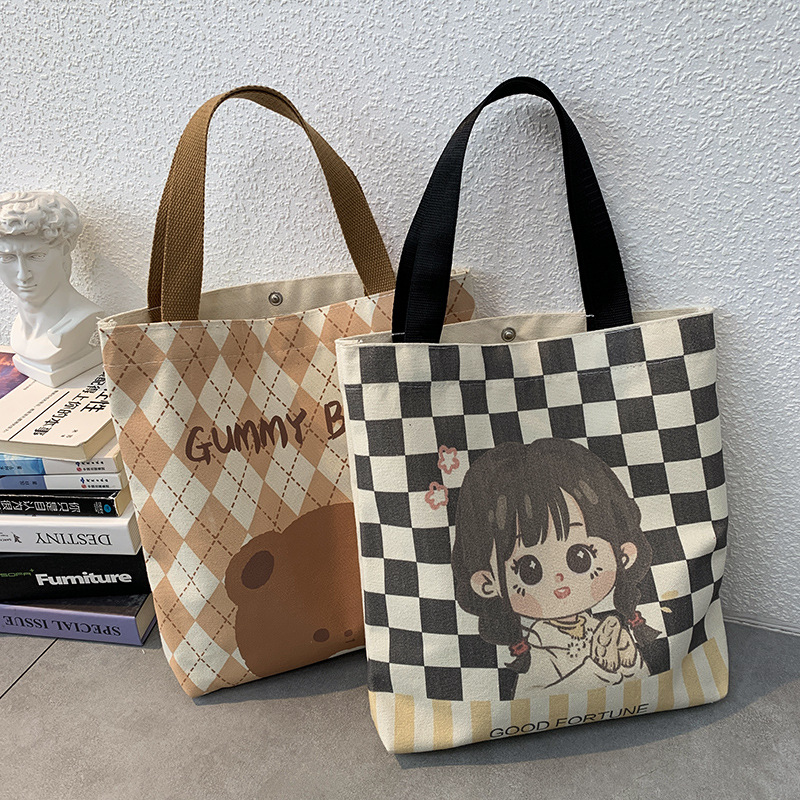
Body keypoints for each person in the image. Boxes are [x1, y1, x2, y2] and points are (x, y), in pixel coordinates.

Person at [451, 438, 660, 697]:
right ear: (486, 582)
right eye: (529, 570)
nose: (559, 577)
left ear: (624, 553)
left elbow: (647, 691)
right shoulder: (537, 648)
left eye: (581, 558)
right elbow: (533, 702)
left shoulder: (597, 628)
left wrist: (630, 662)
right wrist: (601, 668)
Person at [0, 191, 103, 384]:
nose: (23, 275)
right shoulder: (19, 326)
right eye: (7, 258)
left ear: (64, 250)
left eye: (35, 256)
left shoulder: (84, 318)